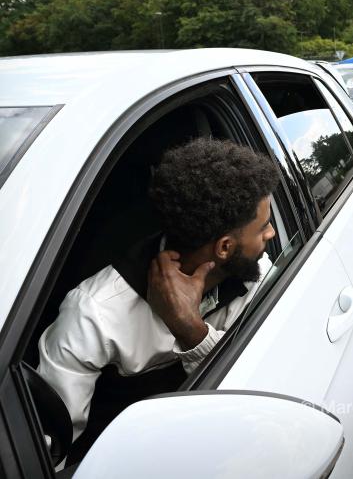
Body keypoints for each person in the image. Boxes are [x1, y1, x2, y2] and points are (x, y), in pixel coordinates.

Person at [36, 137, 280, 452]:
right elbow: (50, 448)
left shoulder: (254, 271)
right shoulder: (93, 315)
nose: (272, 234)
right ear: (224, 247)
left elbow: (252, 395)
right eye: (264, 227)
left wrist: (191, 331)